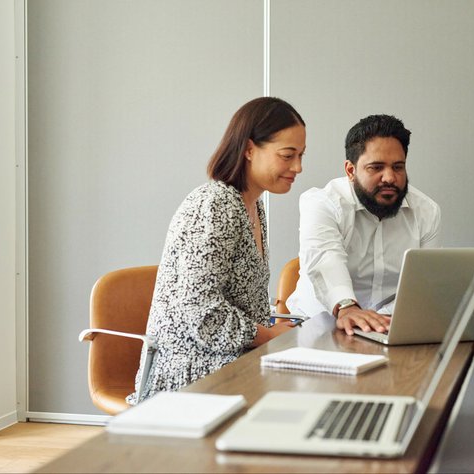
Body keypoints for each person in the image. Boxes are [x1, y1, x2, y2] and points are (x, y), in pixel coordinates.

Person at [128, 97, 306, 403]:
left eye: (301, 155)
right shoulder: (214, 205)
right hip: (190, 372)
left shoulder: (252, 206)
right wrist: (270, 336)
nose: (298, 167)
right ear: (250, 149)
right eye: (287, 155)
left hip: (230, 359)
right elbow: (202, 312)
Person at [286, 114, 441, 335]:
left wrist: (381, 321)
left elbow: (422, 286)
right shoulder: (322, 203)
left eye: (398, 167)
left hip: (389, 329)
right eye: (376, 168)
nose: (389, 177)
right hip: (318, 329)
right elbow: (325, 258)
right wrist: (347, 306)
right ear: (350, 170)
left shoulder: (426, 212)